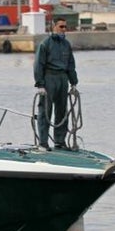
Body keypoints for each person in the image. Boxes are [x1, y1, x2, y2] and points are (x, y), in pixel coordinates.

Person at [33, 17, 78, 151]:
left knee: (62, 111)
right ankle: (43, 142)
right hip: (49, 77)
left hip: (62, 78)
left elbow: (71, 64)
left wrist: (73, 82)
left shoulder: (66, 44)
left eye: (65, 27)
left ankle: (60, 140)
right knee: (45, 111)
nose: (64, 29)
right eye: (61, 27)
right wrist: (40, 84)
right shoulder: (45, 44)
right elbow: (38, 65)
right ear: (54, 27)